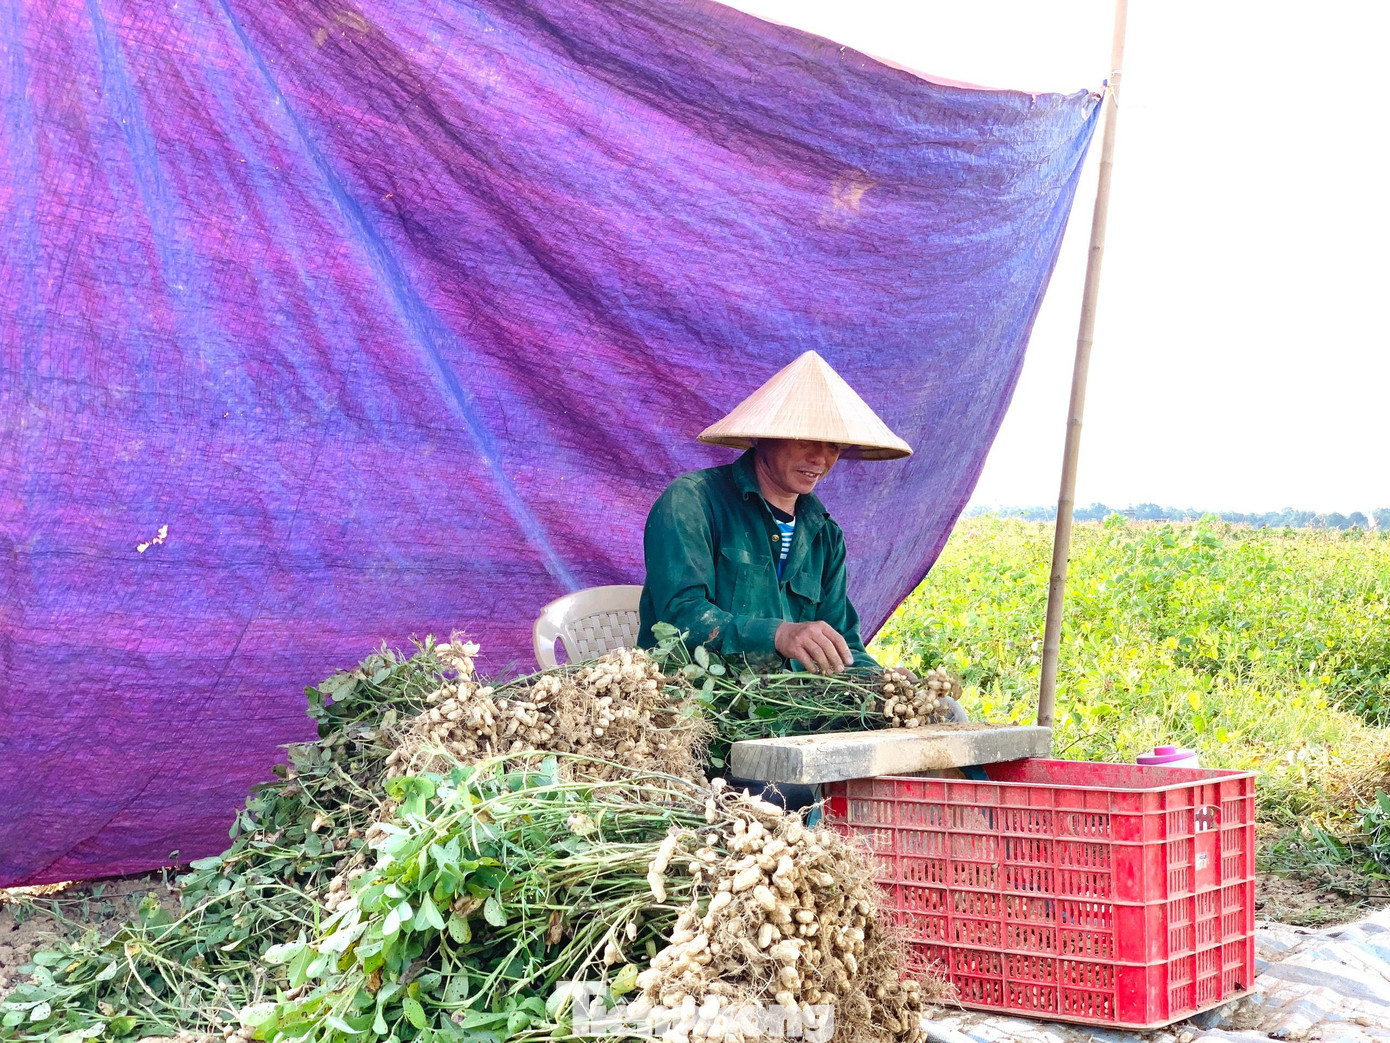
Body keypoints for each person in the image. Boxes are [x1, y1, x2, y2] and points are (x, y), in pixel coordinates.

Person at [636, 350, 911, 675]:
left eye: (833, 446)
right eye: (805, 439)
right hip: (692, 697)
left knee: (934, 703)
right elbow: (680, 618)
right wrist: (776, 635)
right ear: (762, 436)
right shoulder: (692, 501)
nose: (820, 459)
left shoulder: (825, 536)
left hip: (791, 702)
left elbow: (843, 645)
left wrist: (880, 680)